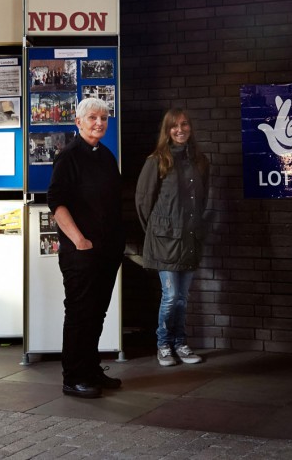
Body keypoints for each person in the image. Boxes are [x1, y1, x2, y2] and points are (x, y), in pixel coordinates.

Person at [47, 97, 124, 399]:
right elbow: (56, 202)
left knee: (97, 313)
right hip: (81, 251)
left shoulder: (105, 155)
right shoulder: (69, 156)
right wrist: (79, 240)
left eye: (104, 119)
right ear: (78, 122)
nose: (99, 123)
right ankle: (74, 377)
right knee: (80, 313)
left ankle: (91, 369)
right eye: (92, 118)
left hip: (107, 251)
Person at [135, 109, 210, 367]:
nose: (180, 130)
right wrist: (158, 231)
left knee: (182, 297)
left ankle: (181, 343)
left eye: (184, 124)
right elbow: (143, 201)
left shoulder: (199, 160)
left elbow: (203, 199)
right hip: (165, 240)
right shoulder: (156, 160)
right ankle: (164, 345)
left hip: (189, 238)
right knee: (170, 296)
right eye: (174, 126)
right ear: (167, 131)